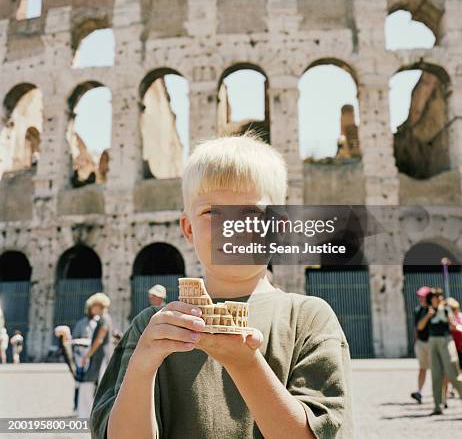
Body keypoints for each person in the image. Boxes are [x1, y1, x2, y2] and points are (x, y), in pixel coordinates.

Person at [90, 132, 354, 438]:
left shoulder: (308, 319)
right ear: (188, 228)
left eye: (250, 212)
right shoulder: (151, 328)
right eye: (212, 212)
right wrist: (142, 367)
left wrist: (245, 364)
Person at [423, 288, 462, 415]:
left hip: (446, 340)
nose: (437, 299)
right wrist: (429, 315)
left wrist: (447, 313)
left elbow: (452, 324)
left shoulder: (445, 310)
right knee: (436, 375)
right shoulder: (427, 311)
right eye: (435, 297)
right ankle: (437, 405)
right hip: (433, 341)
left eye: (439, 297)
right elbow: (420, 327)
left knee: (453, 373)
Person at [77, 293, 113, 418]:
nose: (91, 310)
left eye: (92, 307)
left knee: (89, 383)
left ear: (98, 306)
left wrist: (87, 355)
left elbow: (99, 340)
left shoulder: (103, 319)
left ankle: (86, 414)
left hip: (100, 357)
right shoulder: (106, 318)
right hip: (103, 356)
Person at [72, 299, 98, 412]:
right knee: (79, 381)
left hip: (95, 356)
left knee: (95, 382)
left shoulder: (98, 323)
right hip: (82, 356)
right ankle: (77, 404)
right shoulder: (81, 323)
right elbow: (74, 338)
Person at [411, 285, 431, 404]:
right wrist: (416, 341)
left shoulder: (434, 309)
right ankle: (420, 392)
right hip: (422, 343)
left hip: (432, 342)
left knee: (438, 370)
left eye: (423, 296)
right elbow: (417, 327)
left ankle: (445, 390)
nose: (421, 298)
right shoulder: (418, 310)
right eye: (420, 296)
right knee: (422, 368)